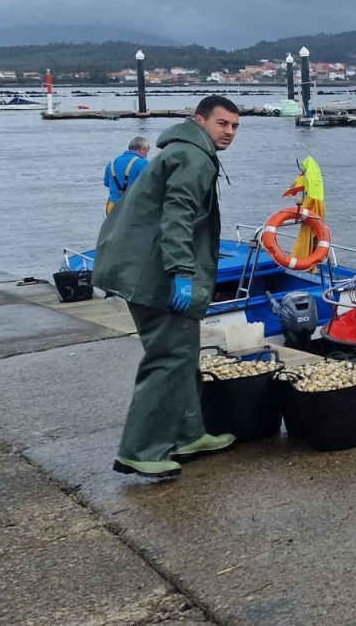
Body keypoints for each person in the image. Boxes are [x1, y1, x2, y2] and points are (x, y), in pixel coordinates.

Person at [93, 96, 241, 479]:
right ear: (199, 120)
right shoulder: (193, 157)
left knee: (184, 352)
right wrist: (181, 272)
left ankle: (188, 434)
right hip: (153, 274)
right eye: (222, 124)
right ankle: (139, 450)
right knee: (166, 358)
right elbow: (178, 216)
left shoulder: (181, 150)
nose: (229, 132)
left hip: (139, 265)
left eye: (235, 126)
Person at [103, 136, 151, 214]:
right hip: (133, 208)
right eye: (147, 151)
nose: (146, 155)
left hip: (112, 207)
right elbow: (151, 185)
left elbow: (107, 184)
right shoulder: (143, 163)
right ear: (142, 150)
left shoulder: (111, 163)